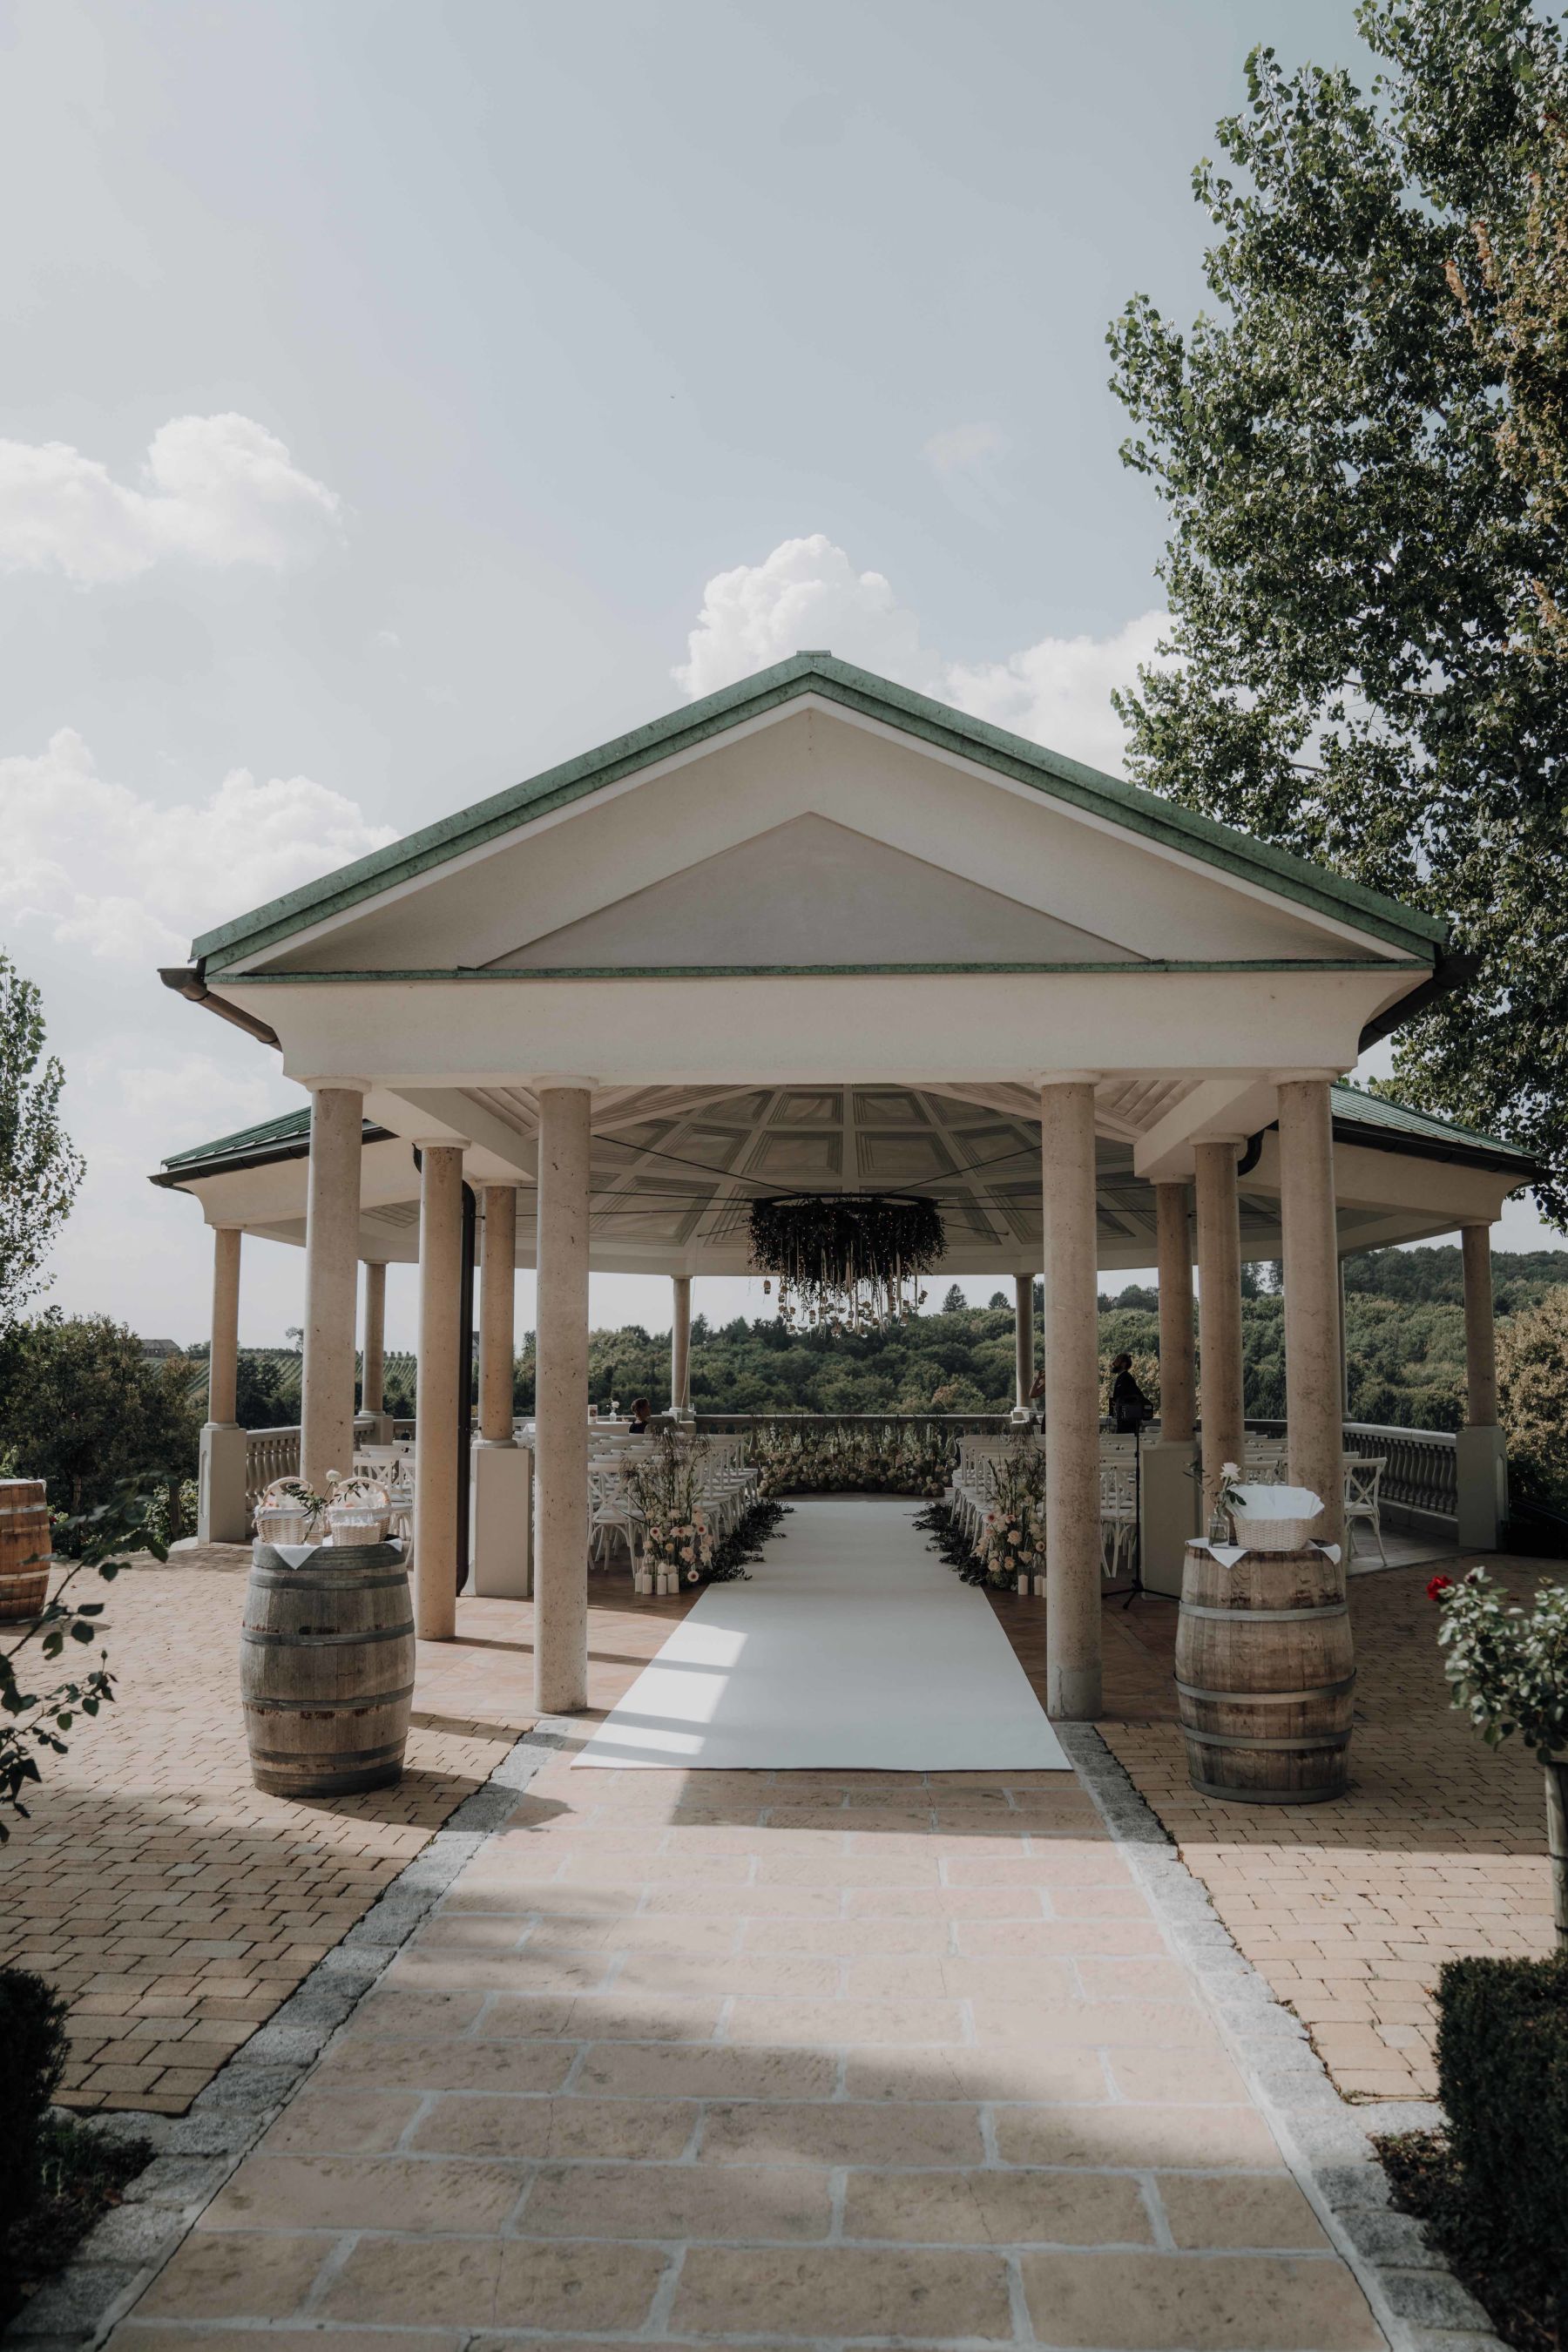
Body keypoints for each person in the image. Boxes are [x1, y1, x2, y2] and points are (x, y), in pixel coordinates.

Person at [1107, 1352, 1151, 1432]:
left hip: (1128, 1421)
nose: (1113, 1363)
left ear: (1123, 1364)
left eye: (1116, 1361)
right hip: (1123, 1419)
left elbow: (1135, 1397)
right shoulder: (1122, 1378)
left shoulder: (1127, 1378)